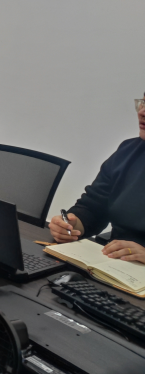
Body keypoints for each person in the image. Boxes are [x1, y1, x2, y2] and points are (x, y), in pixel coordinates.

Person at [49, 93, 145, 263]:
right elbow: (93, 208)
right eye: (143, 102)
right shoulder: (128, 152)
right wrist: (71, 226)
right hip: (116, 264)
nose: (142, 112)